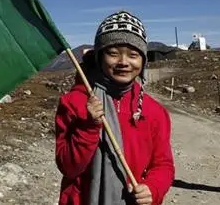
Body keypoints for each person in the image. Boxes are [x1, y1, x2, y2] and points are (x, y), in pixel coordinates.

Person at [55, 10, 175, 205]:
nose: (123, 63)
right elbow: (68, 167)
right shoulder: (74, 103)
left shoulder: (154, 112)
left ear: (143, 60)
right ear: (99, 57)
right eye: (113, 53)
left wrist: (153, 188)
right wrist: (89, 126)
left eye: (133, 55)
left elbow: (163, 165)